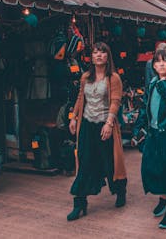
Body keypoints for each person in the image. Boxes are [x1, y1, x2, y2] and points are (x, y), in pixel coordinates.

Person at [67, 42, 127, 221]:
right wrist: (73, 117)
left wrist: (109, 123)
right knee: (84, 162)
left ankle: (120, 190)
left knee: (109, 162)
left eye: (102, 52)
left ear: (107, 56)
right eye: (95, 52)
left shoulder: (113, 78)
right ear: (91, 57)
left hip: (104, 125)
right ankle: (79, 203)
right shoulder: (85, 76)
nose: (98, 55)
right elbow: (80, 98)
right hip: (86, 125)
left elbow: (116, 101)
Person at [132, 49, 166, 229]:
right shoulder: (152, 82)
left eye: (165, 61)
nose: (161, 64)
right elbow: (144, 106)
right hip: (154, 133)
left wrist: (164, 83)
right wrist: (138, 127)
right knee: (152, 167)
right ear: (153, 65)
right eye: (158, 61)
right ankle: (162, 197)